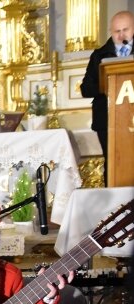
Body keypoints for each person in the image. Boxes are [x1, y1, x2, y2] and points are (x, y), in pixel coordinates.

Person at [80, 10, 134, 182]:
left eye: (125, 30)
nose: (121, 35)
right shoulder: (99, 55)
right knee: (113, 161)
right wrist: (108, 85)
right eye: (116, 31)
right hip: (108, 120)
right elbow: (86, 88)